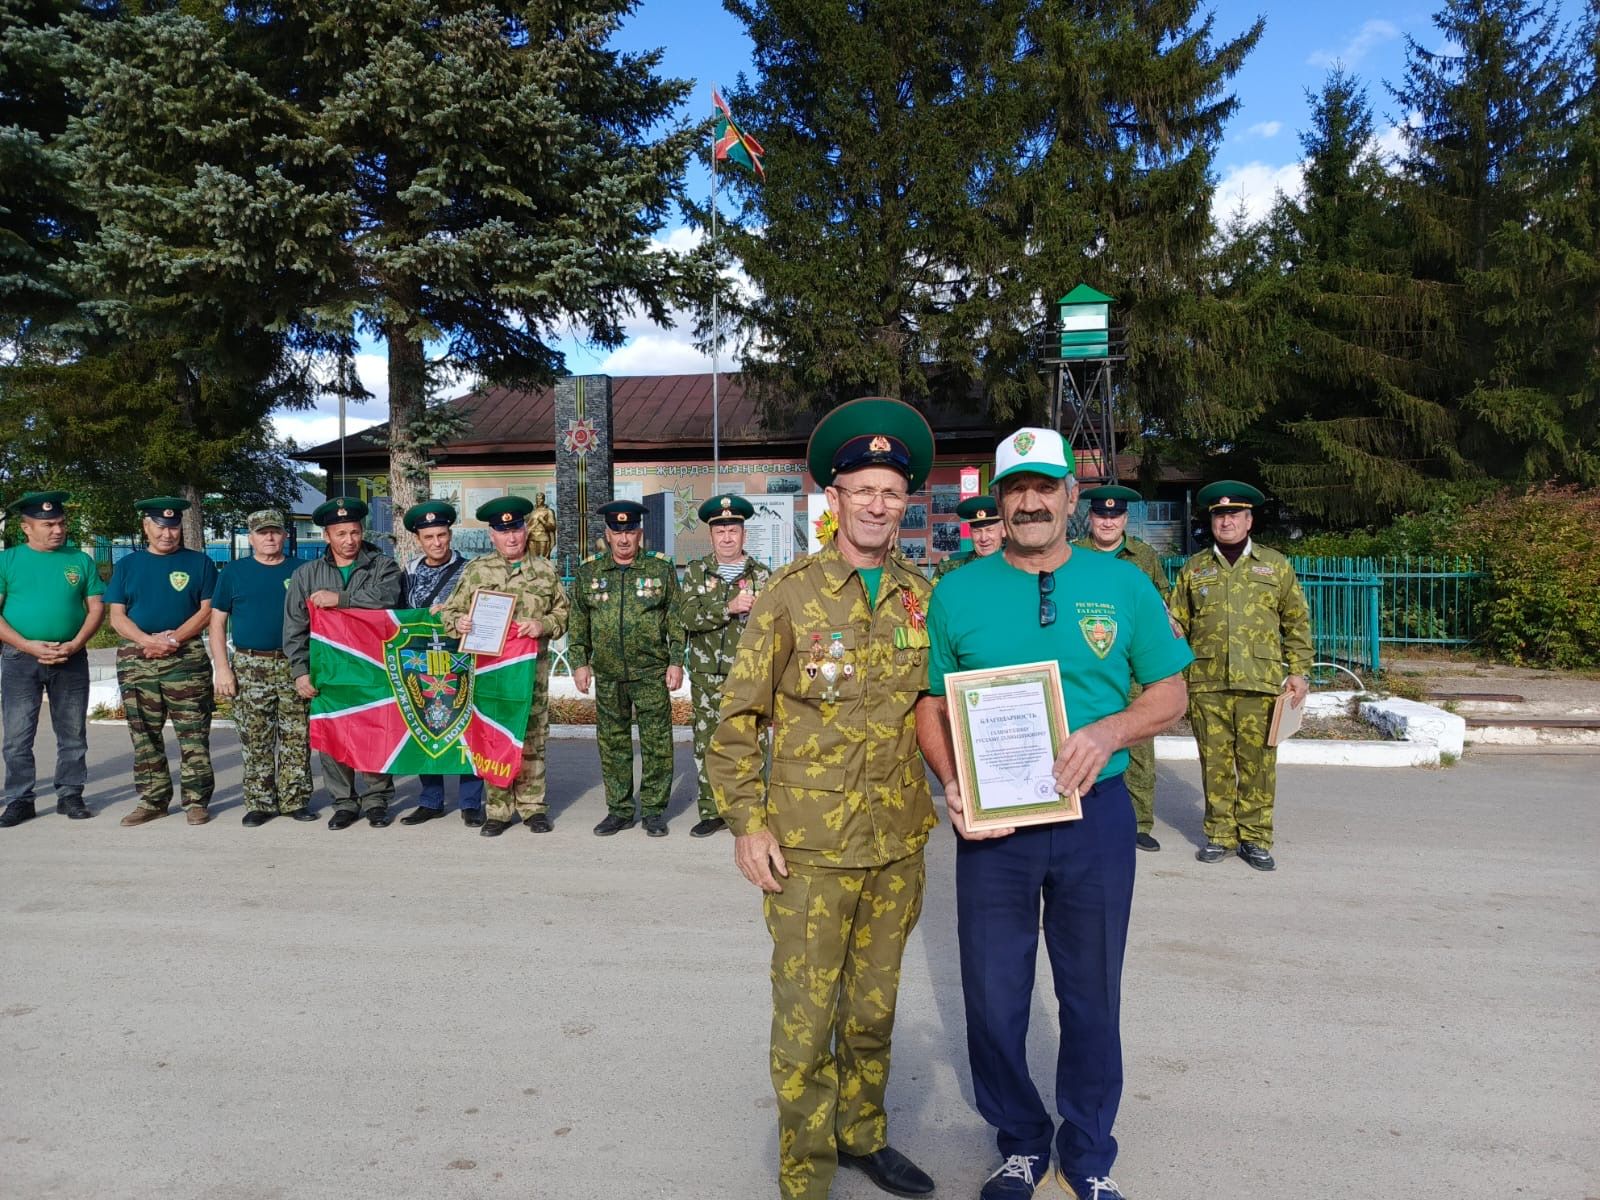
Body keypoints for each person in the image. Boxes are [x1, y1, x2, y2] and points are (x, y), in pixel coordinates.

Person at [918, 428, 1192, 1200]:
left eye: (1046, 488)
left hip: (1095, 818)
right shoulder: (957, 592)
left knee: (1091, 992)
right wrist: (952, 784)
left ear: (1072, 496)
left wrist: (1109, 730)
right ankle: (1019, 1142)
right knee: (995, 995)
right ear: (998, 503)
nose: (1031, 503)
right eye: (1016, 490)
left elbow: (1169, 691)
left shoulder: (1127, 586)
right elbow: (932, 705)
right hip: (997, 830)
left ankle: (1088, 1150)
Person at [706, 396, 940, 1200]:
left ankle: (862, 1135)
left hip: (897, 842)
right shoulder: (789, 594)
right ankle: (805, 1172)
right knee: (807, 1020)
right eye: (862, 490)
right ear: (832, 501)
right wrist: (747, 823)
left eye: (891, 492)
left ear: (905, 504)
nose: (877, 504)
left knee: (873, 1013)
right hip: (808, 851)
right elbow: (736, 719)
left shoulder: (923, 596)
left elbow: (946, 711)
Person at [1167, 480, 1312, 872]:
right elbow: (1175, 621)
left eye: (1233, 515)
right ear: (1211, 521)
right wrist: (1173, 669)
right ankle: (1220, 834)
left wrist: (1299, 671)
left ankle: (1256, 837)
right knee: (1213, 762)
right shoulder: (1195, 568)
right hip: (1207, 681)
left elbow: (1296, 620)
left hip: (1260, 681)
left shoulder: (1274, 565)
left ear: (1249, 520)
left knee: (1258, 763)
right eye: (1219, 515)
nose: (1226, 521)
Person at [437, 497, 569, 837]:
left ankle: (533, 807)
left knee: (532, 737)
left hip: (531, 676)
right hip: (491, 674)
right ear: (492, 535)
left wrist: (544, 626)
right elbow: (449, 613)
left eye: (516, 530)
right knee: (494, 735)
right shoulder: (477, 571)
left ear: (525, 531)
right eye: (503, 531)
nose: (511, 538)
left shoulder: (545, 570)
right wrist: (461, 623)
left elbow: (563, 614)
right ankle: (497, 809)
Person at [283, 497, 405, 830]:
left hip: (374, 669)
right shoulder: (306, 574)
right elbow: (295, 627)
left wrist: (342, 599)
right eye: (340, 533)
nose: (349, 540)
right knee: (333, 736)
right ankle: (344, 802)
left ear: (362, 531)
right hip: (329, 672)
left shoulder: (383, 565)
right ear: (327, 536)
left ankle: (377, 800)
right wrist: (300, 671)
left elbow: (388, 600)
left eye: (354, 532)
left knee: (375, 735)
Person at [568, 499, 681, 837]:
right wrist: (579, 662)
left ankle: (654, 811)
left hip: (650, 672)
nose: (624, 539)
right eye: (617, 533)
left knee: (657, 743)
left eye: (630, 532)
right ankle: (619, 810)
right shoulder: (590, 572)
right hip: (608, 674)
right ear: (607, 534)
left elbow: (675, 621)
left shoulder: (660, 570)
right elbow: (579, 622)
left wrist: (676, 661)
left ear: (639, 534)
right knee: (613, 743)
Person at [105, 496, 219, 826]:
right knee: (143, 733)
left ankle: (196, 801)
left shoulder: (199, 563)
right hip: (137, 658)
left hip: (185, 658)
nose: (167, 534)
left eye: (173, 528)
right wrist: (146, 641)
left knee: (194, 733)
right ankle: (153, 799)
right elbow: (116, 615)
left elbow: (207, 610)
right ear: (146, 527)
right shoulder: (128, 565)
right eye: (160, 527)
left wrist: (173, 640)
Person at [1072, 484, 1172, 852]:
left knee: (1138, 747)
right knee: (1082, 737)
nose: (1108, 522)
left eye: (1115, 516)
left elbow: (1162, 611)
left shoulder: (1143, 557)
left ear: (1125, 519)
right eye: (1101, 515)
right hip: (1086, 665)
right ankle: (1080, 814)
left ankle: (1139, 822)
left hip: (1131, 667)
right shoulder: (1072, 554)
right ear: (1091, 517)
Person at [0, 491, 105, 826]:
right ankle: (20, 799)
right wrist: (29, 645)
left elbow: (97, 608)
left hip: (70, 656)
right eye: (48, 524)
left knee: (72, 732)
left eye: (60, 522)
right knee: (17, 735)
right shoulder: (8, 560)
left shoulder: (80, 560)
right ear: (26, 528)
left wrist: (74, 644)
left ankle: (70, 794)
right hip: (20, 658)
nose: (57, 529)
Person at [671, 493, 770, 838]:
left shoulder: (763, 575)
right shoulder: (697, 571)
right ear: (711, 535)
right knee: (708, 741)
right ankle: (712, 810)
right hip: (707, 673)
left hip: (748, 676)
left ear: (743, 534)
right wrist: (727, 607)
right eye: (720, 532)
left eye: (733, 531)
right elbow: (686, 616)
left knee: (752, 740)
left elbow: (773, 628)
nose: (727, 537)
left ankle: (753, 809)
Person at [210, 509, 316, 826]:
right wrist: (222, 668)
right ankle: (260, 803)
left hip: (293, 663)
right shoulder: (233, 572)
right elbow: (216, 623)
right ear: (251, 537)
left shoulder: (302, 570)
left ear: (284, 535)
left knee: (297, 737)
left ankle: (295, 800)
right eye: (261, 532)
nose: (268, 537)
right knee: (255, 738)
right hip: (249, 663)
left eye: (274, 531)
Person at [395, 500, 486, 828]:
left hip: (462, 660)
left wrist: (454, 613)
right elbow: (399, 612)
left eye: (442, 535)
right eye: (429, 537)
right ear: (418, 539)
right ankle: (430, 800)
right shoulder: (410, 570)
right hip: (420, 661)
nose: (437, 543)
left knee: (467, 728)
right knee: (426, 725)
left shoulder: (472, 569)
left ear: (450, 534)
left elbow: (484, 610)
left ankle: (471, 802)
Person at [934, 495, 1004, 578]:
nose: (983, 538)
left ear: (1003, 531)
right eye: (977, 531)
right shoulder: (949, 567)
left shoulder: (1017, 565)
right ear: (970, 533)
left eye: (990, 530)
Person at [527, 492, 557, 558]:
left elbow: (552, 527)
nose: (538, 501)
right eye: (537, 499)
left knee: (543, 560)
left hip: (543, 538)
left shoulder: (548, 511)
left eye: (540, 499)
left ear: (544, 500)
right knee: (532, 560)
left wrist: (543, 521)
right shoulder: (531, 511)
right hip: (531, 538)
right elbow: (527, 525)